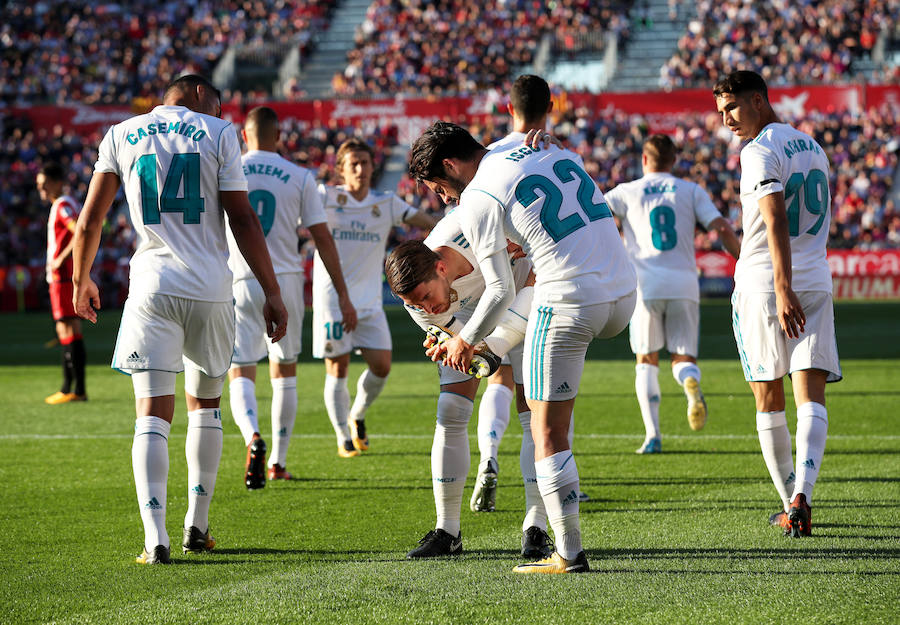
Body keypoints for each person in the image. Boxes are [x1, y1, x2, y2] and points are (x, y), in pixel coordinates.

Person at [71, 75, 288, 565]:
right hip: (211, 289)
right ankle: (198, 524)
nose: (219, 113)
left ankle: (155, 539)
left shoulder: (119, 134)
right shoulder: (219, 132)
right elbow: (243, 218)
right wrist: (272, 291)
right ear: (199, 96)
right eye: (217, 104)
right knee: (206, 407)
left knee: (151, 414)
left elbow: (90, 220)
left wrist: (81, 279)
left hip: (152, 287)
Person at [408, 122, 637, 574]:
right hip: (622, 291)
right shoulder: (541, 152)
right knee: (505, 408)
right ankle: (457, 528)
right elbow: (528, 155)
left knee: (544, 427)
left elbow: (498, 290)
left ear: (450, 166)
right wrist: (465, 342)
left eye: (438, 186)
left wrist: (467, 341)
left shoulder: (476, 198)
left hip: (561, 296)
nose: (444, 198)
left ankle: (563, 548)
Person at [385, 213, 557, 560]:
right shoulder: (419, 302)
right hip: (472, 316)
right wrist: (457, 345)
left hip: (524, 295)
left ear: (441, 268)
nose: (425, 308)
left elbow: (536, 261)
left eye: (426, 297)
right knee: (451, 408)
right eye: (415, 304)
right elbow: (473, 350)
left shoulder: (476, 224)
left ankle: (536, 526)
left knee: (534, 412)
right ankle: (447, 530)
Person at [714, 70, 841, 538]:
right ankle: (802, 494)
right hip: (817, 280)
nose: (726, 119)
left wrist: (783, 287)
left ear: (758, 101)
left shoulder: (758, 150)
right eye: (721, 111)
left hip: (766, 285)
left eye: (732, 107)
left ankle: (790, 504)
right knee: (811, 397)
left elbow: (776, 218)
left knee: (769, 398)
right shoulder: (813, 147)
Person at [226, 106, 357, 489]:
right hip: (283, 281)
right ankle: (278, 462)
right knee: (284, 371)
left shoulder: (228, 169)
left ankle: (252, 436)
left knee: (240, 369)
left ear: (245, 136)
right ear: (279, 136)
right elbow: (322, 238)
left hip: (237, 279)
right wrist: (342, 292)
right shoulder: (299, 176)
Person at [604, 135, 741, 453]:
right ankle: (689, 381)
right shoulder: (690, 190)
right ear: (674, 160)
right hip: (684, 283)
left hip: (645, 285)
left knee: (646, 359)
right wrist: (743, 259)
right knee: (683, 356)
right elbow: (721, 227)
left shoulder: (627, 191)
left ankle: (653, 436)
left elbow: (593, 215)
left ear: (644, 160)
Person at [313, 138, 436, 458]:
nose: (360, 169)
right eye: (353, 164)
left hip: (369, 301)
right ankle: (343, 437)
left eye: (365, 162)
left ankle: (357, 414)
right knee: (337, 368)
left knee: (381, 367)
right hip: (333, 299)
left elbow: (428, 222)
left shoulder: (387, 203)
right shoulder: (325, 197)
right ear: (341, 170)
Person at [38, 162, 88, 404]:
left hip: (63, 277)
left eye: (44, 184)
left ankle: (73, 389)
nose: (41, 189)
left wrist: (61, 258)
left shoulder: (62, 205)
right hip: (63, 276)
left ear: (57, 183)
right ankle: (73, 388)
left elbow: (78, 230)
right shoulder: (65, 204)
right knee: (68, 330)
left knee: (68, 329)